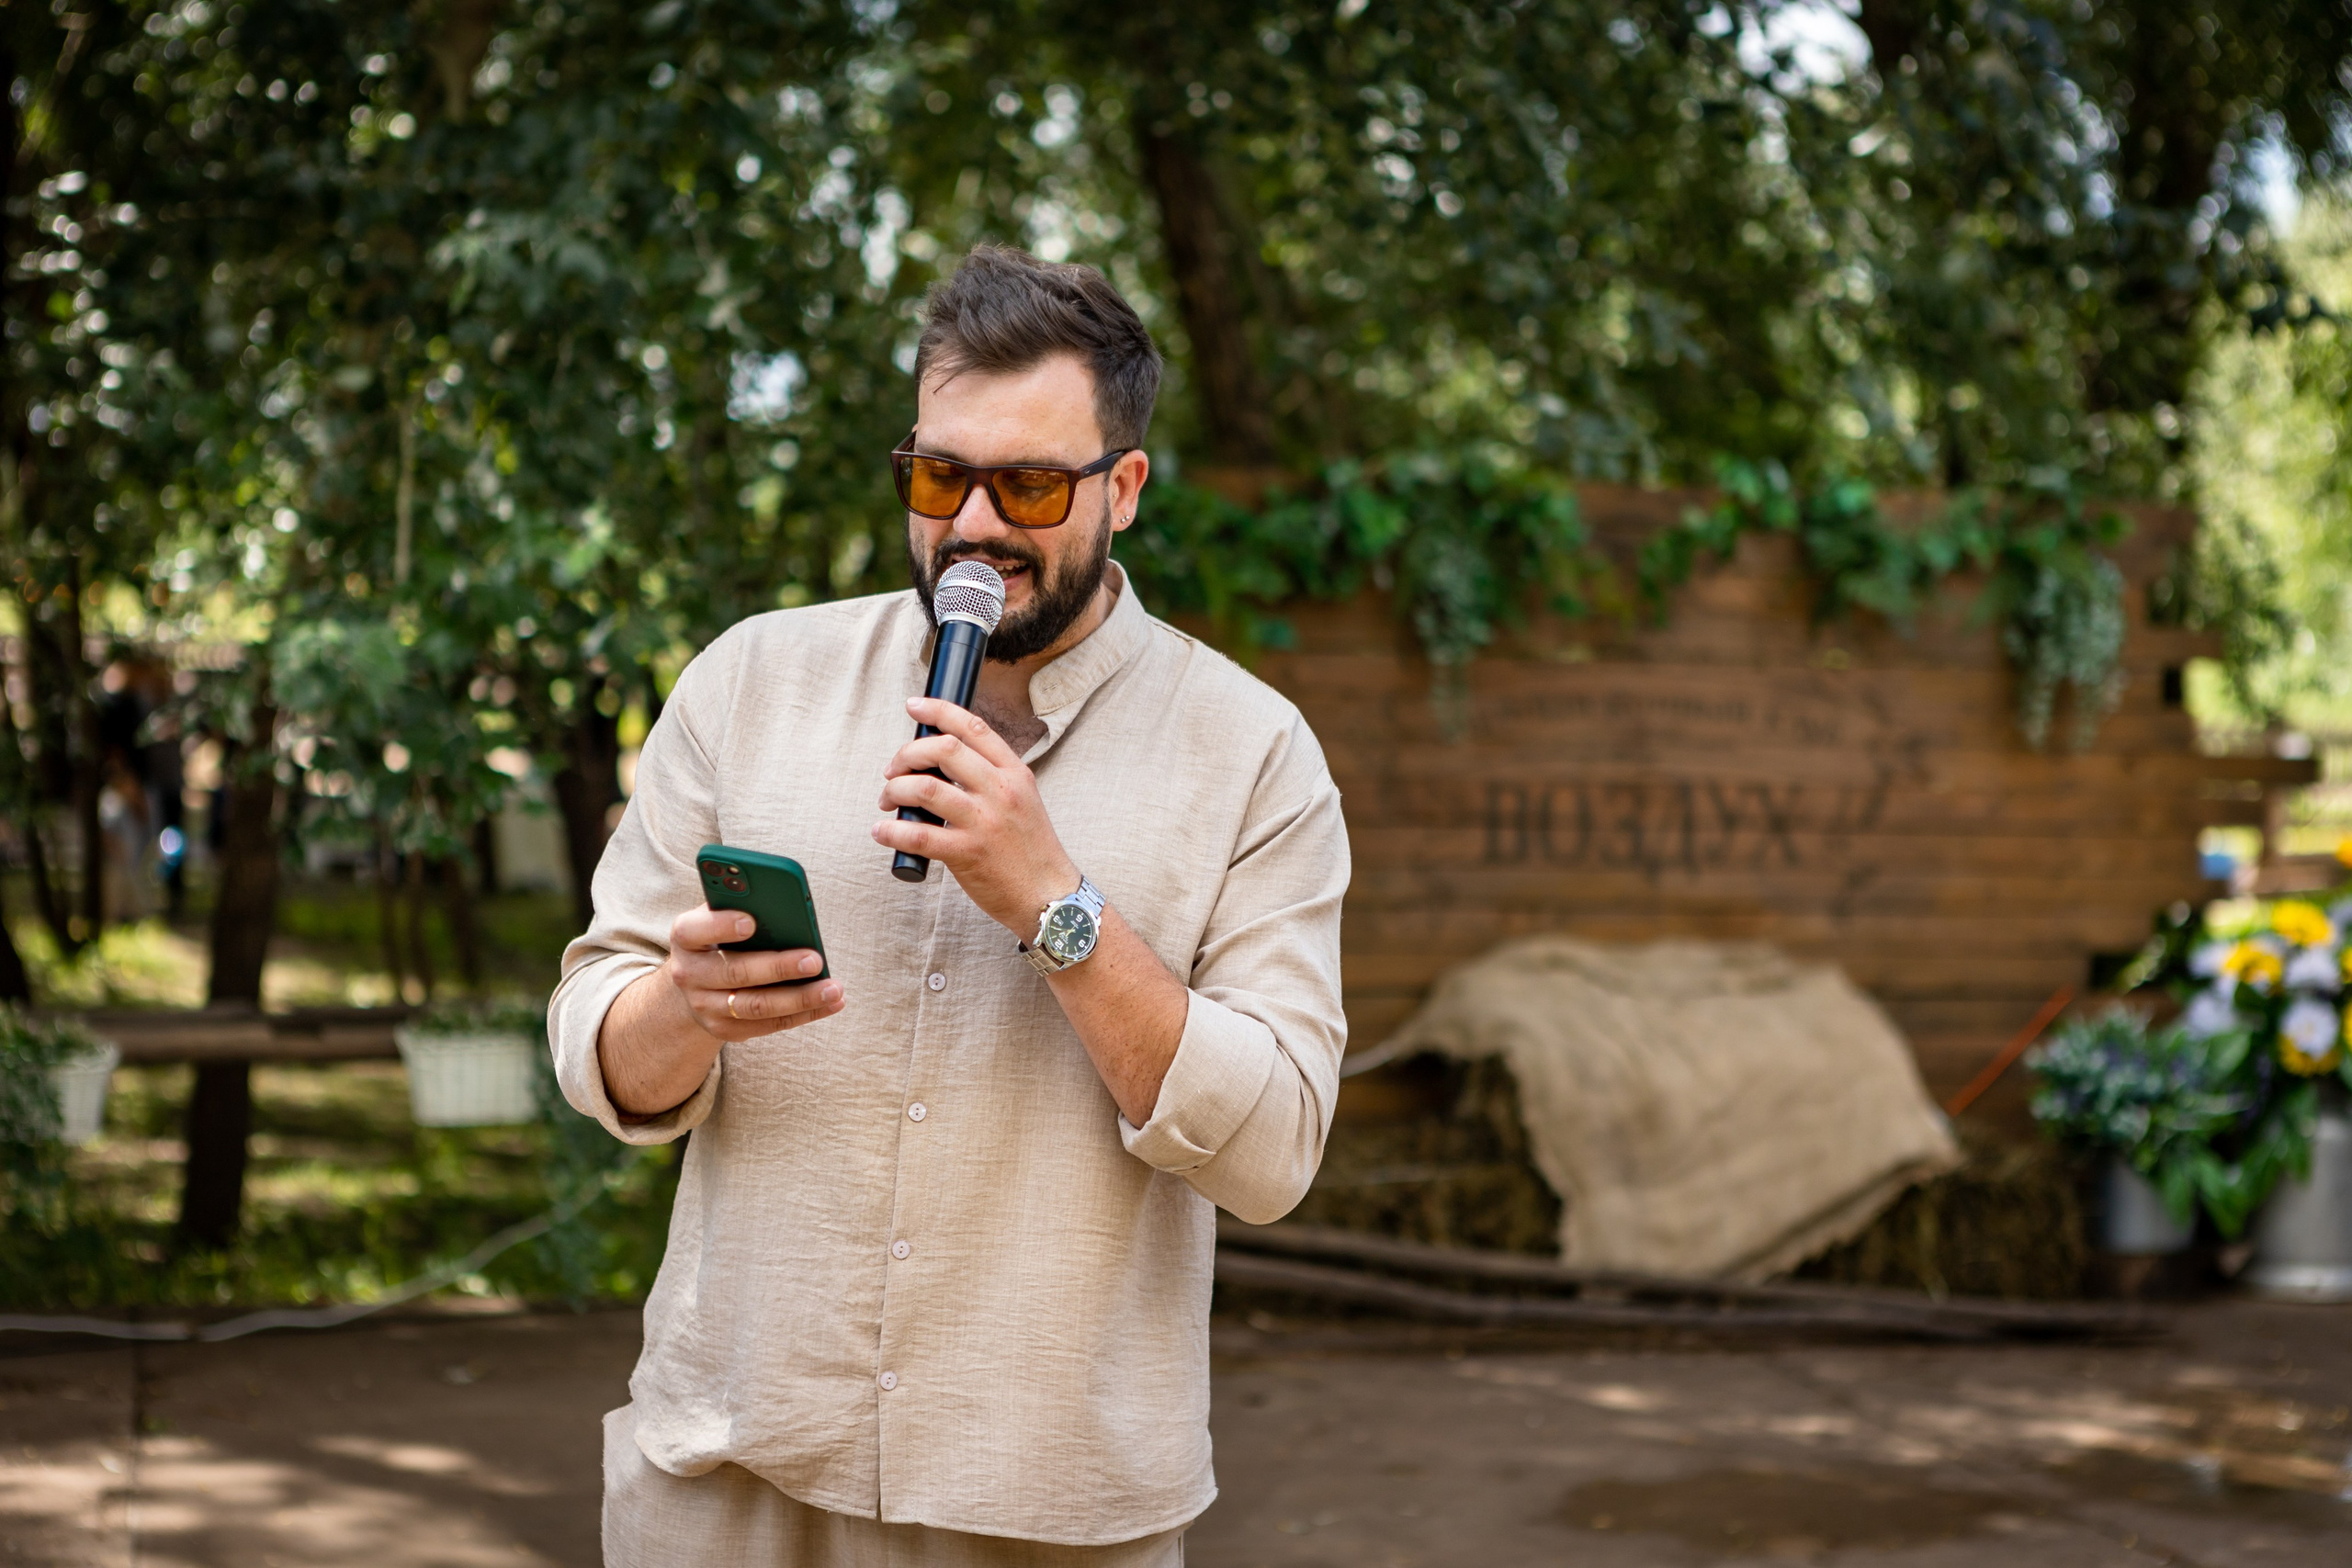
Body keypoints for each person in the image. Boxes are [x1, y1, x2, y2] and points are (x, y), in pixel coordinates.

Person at [552, 243, 1351, 1566]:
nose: (974, 527)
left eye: (1031, 484)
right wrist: (681, 1010)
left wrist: (1055, 903)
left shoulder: (1254, 754)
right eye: (940, 476)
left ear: (1125, 488)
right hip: (727, 1485)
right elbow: (594, 1042)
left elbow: (1273, 1154)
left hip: (1046, 1516)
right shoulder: (751, 681)